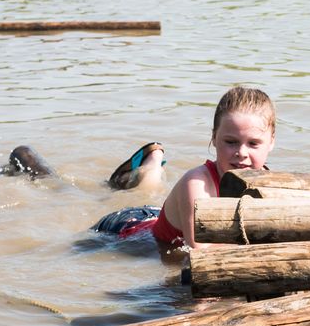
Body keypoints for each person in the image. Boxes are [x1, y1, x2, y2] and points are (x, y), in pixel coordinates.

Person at [92, 86, 276, 252]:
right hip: (127, 227)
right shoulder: (197, 183)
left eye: (253, 143)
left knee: (148, 194)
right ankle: (152, 163)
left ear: (271, 142)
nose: (241, 153)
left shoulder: (272, 185)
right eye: (231, 142)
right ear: (214, 137)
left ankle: (151, 164)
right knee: (140, 195)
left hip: (162, 216)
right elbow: (199, 249)